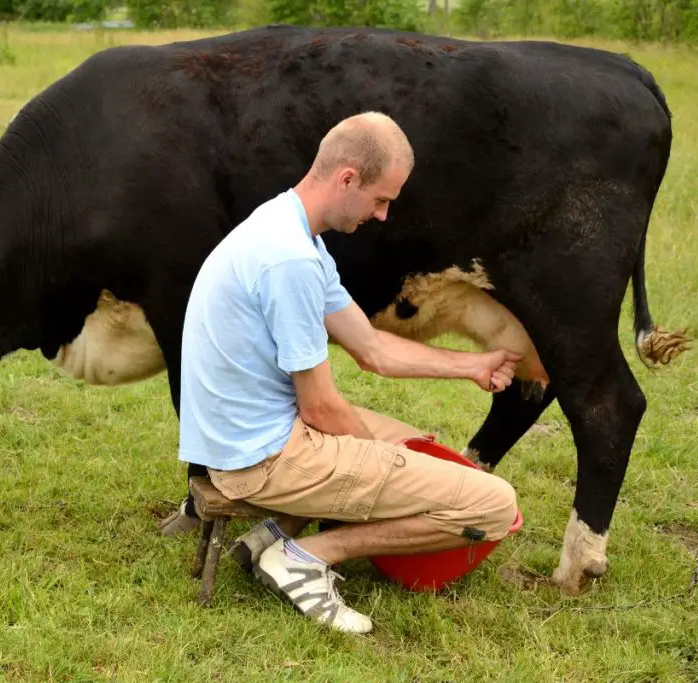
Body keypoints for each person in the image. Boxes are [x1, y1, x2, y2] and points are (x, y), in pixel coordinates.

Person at [177, 111, 521, 635]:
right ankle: (305, 557)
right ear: (346, 179)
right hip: (260, 458)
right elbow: (320, 407)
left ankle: (269, 538)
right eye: (381, 199)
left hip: (249, 436)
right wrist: (378, 464)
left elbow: (371, 347)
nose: (383, 215)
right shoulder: (288, 260)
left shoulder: (290, 228)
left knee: (411, 444)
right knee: (492, 504)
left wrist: (473, 365)